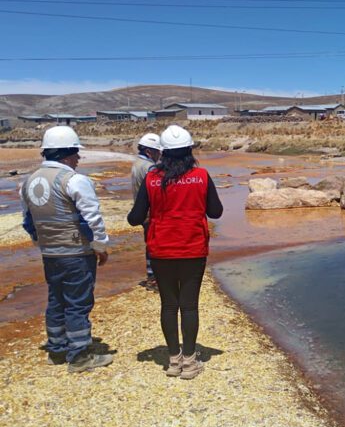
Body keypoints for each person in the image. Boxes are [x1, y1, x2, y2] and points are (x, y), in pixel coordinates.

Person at [127, 125, 223, 379]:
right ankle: (190, 362)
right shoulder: (201, 176)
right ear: (190, 150)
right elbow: (216, 212)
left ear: (164, 153)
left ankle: (173, 361)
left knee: (169, 305)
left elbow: (134, 218)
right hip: (193, 248)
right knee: (189, 306)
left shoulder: (151, 179)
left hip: (160, 250)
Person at [20, 125, 113, 373]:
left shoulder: (28, 181)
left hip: (50, 254)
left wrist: (41, 243)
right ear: (68, 154)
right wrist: (101, 247)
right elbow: (92, 219)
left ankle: (57, 349)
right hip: (76, 254)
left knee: (56, 299)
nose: (78, 160)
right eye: (77, 155)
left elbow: (28, 221)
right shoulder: (74, 180)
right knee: (78, 303)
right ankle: (80, 355)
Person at [131, 133, 162, 287]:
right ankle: (156, 278)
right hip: (152, 212)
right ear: (150, 151)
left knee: (150, 245)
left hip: (143, 211)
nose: (159, 155)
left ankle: (151, 275)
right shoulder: (150, 167)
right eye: (158, 152)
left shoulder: (137, 164)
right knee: (156, 246)